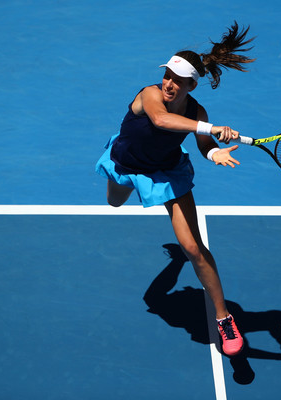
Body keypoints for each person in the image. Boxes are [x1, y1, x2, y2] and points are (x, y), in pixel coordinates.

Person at [95, 22, 255, 356]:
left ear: (191, 84)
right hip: (125, 164)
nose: (169, 83)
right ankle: (176, 262)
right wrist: (211, 128)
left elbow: (202, 144)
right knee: (113, 203)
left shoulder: (197, 111)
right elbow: (161, 121)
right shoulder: (150, 94)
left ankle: (224, 318)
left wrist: (214, 151)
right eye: (167, 75)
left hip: (169, 172)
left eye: (178, 79)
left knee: (193, 248)